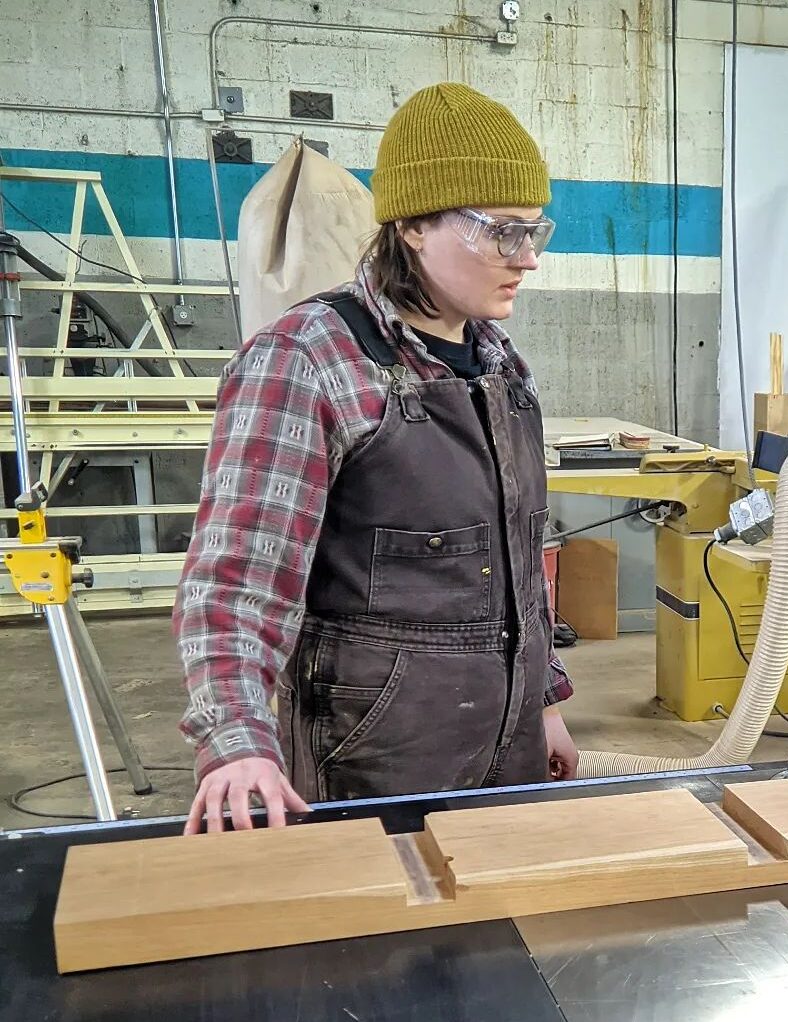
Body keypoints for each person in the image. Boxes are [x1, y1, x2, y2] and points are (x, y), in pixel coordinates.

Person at [174, 82, 578, 834]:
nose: (528, 260)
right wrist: (234, 743)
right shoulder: (306, 360)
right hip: (374, 760)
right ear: (417, 225)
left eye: (536, 232)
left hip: (506, 751)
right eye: (503, 234)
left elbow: (519, 562)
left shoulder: (501, 366)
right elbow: (234, 582)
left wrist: (541, 701)